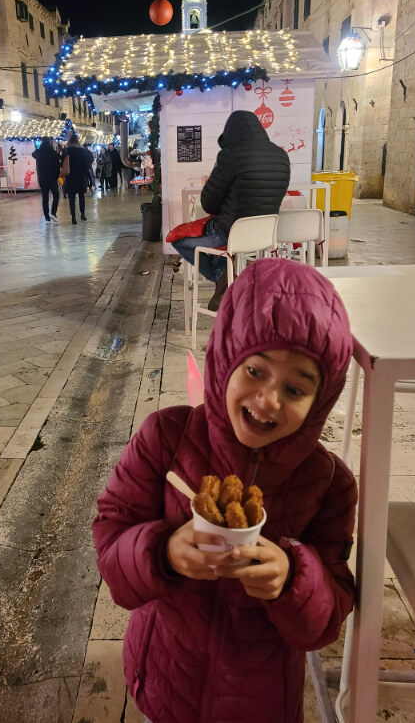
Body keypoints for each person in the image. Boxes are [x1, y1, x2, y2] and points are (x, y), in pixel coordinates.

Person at [93, 258, 357, 723]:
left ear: (321, 403)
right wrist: (164, 552)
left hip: (260, 697)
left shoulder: (329, 484)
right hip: (166, 674)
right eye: (255, 371)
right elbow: (112, 550)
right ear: (225, 359)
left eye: (295, 389)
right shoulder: (165, 439)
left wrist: (293, 577)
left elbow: (329, 615)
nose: (269, 399)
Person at [171, 110, 291, 311]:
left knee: (178, 239)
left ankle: (223, 279)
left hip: (229, 233)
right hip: (265, 235)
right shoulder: (281, 155)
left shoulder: (230, 155)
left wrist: (211, 185)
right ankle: (226, 279)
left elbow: (208, 204)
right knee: (221, 251)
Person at [62, 134, 93, 224]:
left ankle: (73, 217)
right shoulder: (82, 151)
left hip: (70, 177)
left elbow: (62, 163)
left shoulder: (66, 151)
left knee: (71, 198)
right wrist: (85, 169)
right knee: (81, 196)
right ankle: (82, 214)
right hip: (80, 176)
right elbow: (90, 159)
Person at [32, 137, 61, 223]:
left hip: (42, 178)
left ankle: (46, 217)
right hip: (52, 178)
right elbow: (57, 166)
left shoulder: (39, 152)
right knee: (56, 195)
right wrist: (56, 176)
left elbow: (33, 154)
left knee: (45, 197)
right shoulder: (53, 153)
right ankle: (53, 212)